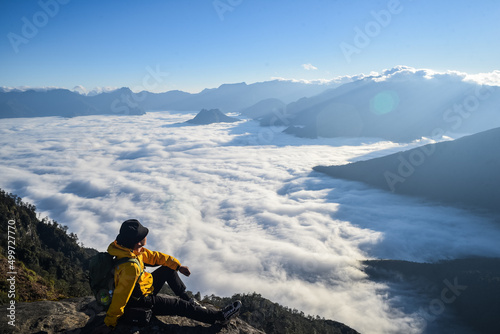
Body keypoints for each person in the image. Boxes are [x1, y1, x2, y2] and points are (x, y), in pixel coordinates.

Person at [93, 219, 241, 333]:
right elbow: (121, 297)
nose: (146, 237)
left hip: (142, 288)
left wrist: (178, 266)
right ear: (137, 242)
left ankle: (189, 300)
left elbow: (156, 257)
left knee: (168, 269)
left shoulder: (126, 249)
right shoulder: (129, 266)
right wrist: (109, 323)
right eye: (144, 236)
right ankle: (219, 317)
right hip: (140, 300)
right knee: (180, 307)